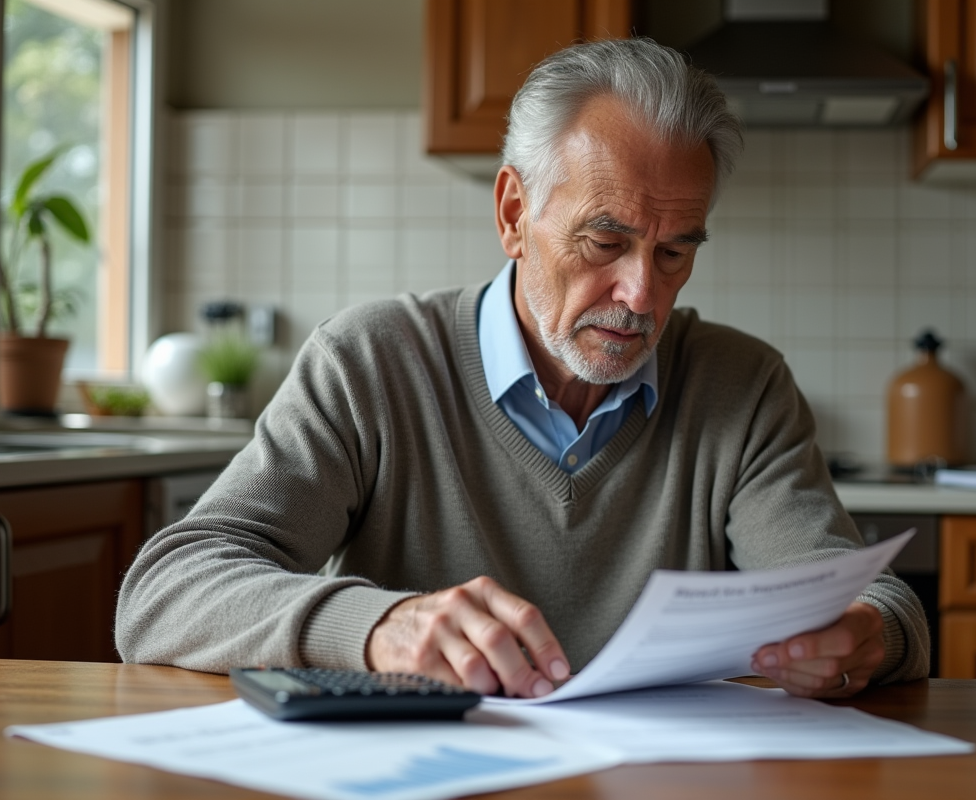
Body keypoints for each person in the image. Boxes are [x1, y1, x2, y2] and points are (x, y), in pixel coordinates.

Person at [116, 38, 928, 699]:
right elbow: (165, 590)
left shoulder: (742, 387)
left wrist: (864, 636)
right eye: (605, 242)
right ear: (513, 213)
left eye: (675, 251)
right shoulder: (370, 361)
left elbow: (874, 604)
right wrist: (377, 627)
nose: (642, 294)